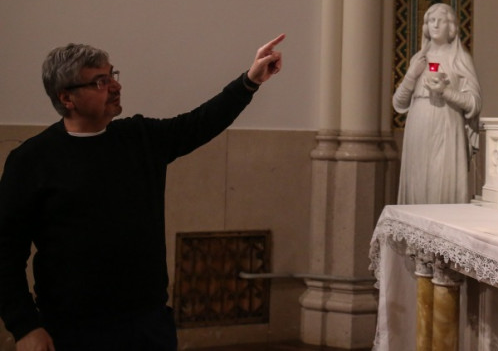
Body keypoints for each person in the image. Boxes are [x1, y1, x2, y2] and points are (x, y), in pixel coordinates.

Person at [0, 34, 285, 351]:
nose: (115, 86)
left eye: (112, 75)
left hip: (148, 325)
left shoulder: (139, 138)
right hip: (72, 329)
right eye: (100, 82)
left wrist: (250, 81)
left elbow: (200, 123)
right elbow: (6, 252)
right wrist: (25, 326)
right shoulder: (32, 160)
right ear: (67, 98)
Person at [393, 4, 481, 204]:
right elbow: (398, 102)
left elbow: (474, 103)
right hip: (418, 126)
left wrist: (445, 91)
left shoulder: (460, 59)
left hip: (447, 125)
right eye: (431, 20)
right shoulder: (418, 60)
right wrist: (411, 75)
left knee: (441, 183)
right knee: (417, 183)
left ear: (451, 27)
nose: (435, 25)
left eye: (440, 21)